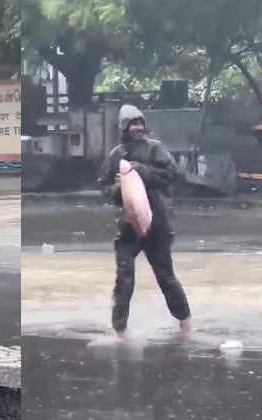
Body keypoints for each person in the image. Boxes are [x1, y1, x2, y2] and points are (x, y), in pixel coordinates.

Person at [97, 104, 191, 336]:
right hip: (129, 224)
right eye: (133, 124)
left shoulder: (155, 150)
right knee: (124, 277)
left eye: (141, 123)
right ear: (124, 127)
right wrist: (118, 190)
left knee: (165, 276)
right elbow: (103, 186)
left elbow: (174, 175)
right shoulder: (116, 155)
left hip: (157, 222)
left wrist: (143, 171)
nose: (139, 127)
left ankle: (185, 322)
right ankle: (119, 329)